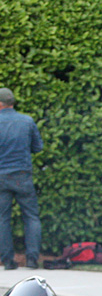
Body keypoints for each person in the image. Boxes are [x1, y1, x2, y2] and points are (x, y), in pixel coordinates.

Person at [0, 88, 44, 270]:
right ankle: (32, 259)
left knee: (2, 219)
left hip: (1, 175)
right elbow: (38, 147)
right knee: (31, 216)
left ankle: (8, 261)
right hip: (22, 175)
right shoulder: (27, 121)